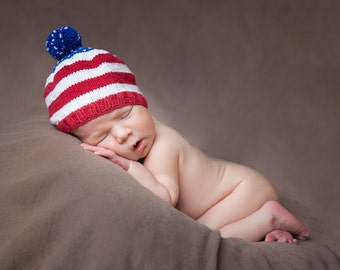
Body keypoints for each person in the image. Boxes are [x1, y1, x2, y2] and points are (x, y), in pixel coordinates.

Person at [44, 26, 309, 244]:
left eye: (124, 115)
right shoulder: (139, 138)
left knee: (200, 237)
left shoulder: (163, 145)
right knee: (205, 228)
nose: (123, 134)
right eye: (102, 137)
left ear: (142, 103)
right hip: (231, 197)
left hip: (242, 191)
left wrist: (126, 165)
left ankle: (268, 218)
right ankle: (270, 233)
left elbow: (165, 198)